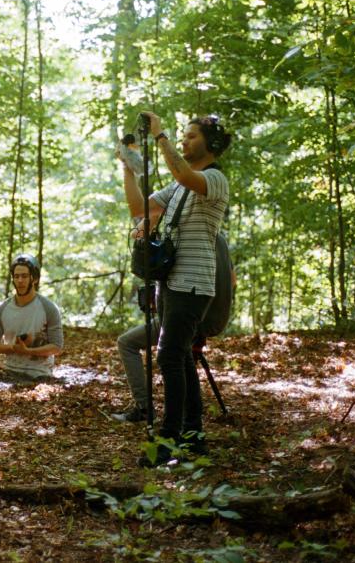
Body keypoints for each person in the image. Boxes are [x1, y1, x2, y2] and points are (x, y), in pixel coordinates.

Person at [120, 112, 231, 466]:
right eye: (182, 137)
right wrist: (127, 167)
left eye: (191, 136)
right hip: (170, 282)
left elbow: (182, 171)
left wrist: (161, 136)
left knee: (168, 356)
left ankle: (168, 440)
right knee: (181, 357)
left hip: (195, 283)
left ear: (210, 144)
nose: (184, 141)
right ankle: (194, 436)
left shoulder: (214, 179)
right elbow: (139, 210)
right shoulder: (179, 187)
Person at [111, 233, 235, 423]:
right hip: (216, 319)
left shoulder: (188, 238)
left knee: (126, 343)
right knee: (179, 353)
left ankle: (144, 408)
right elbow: (232, 281)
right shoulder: (221, 240)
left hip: (189, 317)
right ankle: (189, 423)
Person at [0, 254, 64, 380]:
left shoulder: (48, 308)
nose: (20, 280)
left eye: (24, 276)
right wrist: (13, 348)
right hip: (9, 372)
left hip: (40, 374)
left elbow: (57, 347)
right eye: (16, 276)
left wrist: (28, 351)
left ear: (34, 279)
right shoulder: (2, 309)